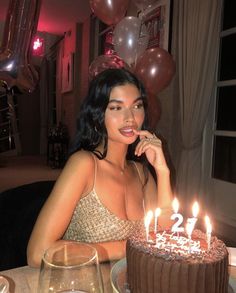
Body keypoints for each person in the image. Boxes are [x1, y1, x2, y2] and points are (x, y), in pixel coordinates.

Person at [27, 68, 173, 268]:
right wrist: (128, 248)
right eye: (116, 108)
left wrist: (162, 171)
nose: (130, 117)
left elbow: (165, 234)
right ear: (98, 115)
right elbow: (37, 253)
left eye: (137, 105)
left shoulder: (141, 173)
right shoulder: (84, 165)